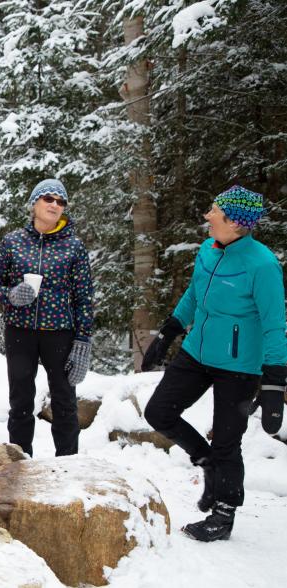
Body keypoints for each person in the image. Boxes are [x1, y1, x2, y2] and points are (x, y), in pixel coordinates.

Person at [142, 186, 286, 542]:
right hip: (196, 352)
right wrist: (169, 331)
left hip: (238, 365)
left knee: (227, 441)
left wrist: (274, 381)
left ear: (235, 221)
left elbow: (274, 324)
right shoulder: (209, 249)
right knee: (159, 412)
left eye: (214, 211)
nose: (207, 215)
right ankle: (205, 462)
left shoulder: (262, 265)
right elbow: (194, 293)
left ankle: (223, 514)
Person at [0, 179, 94, 457]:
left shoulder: (74, 246)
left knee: (64, 402)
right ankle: (20, 461)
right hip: (19, 331)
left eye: (60, 202)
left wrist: (83, 341)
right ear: (34, 204)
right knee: (20, 401)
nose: (55, 205)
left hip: (60, 332)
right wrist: (12, 295)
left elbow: (84, 298)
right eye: (49, 199)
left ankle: (68, 465)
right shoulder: (13, 242)